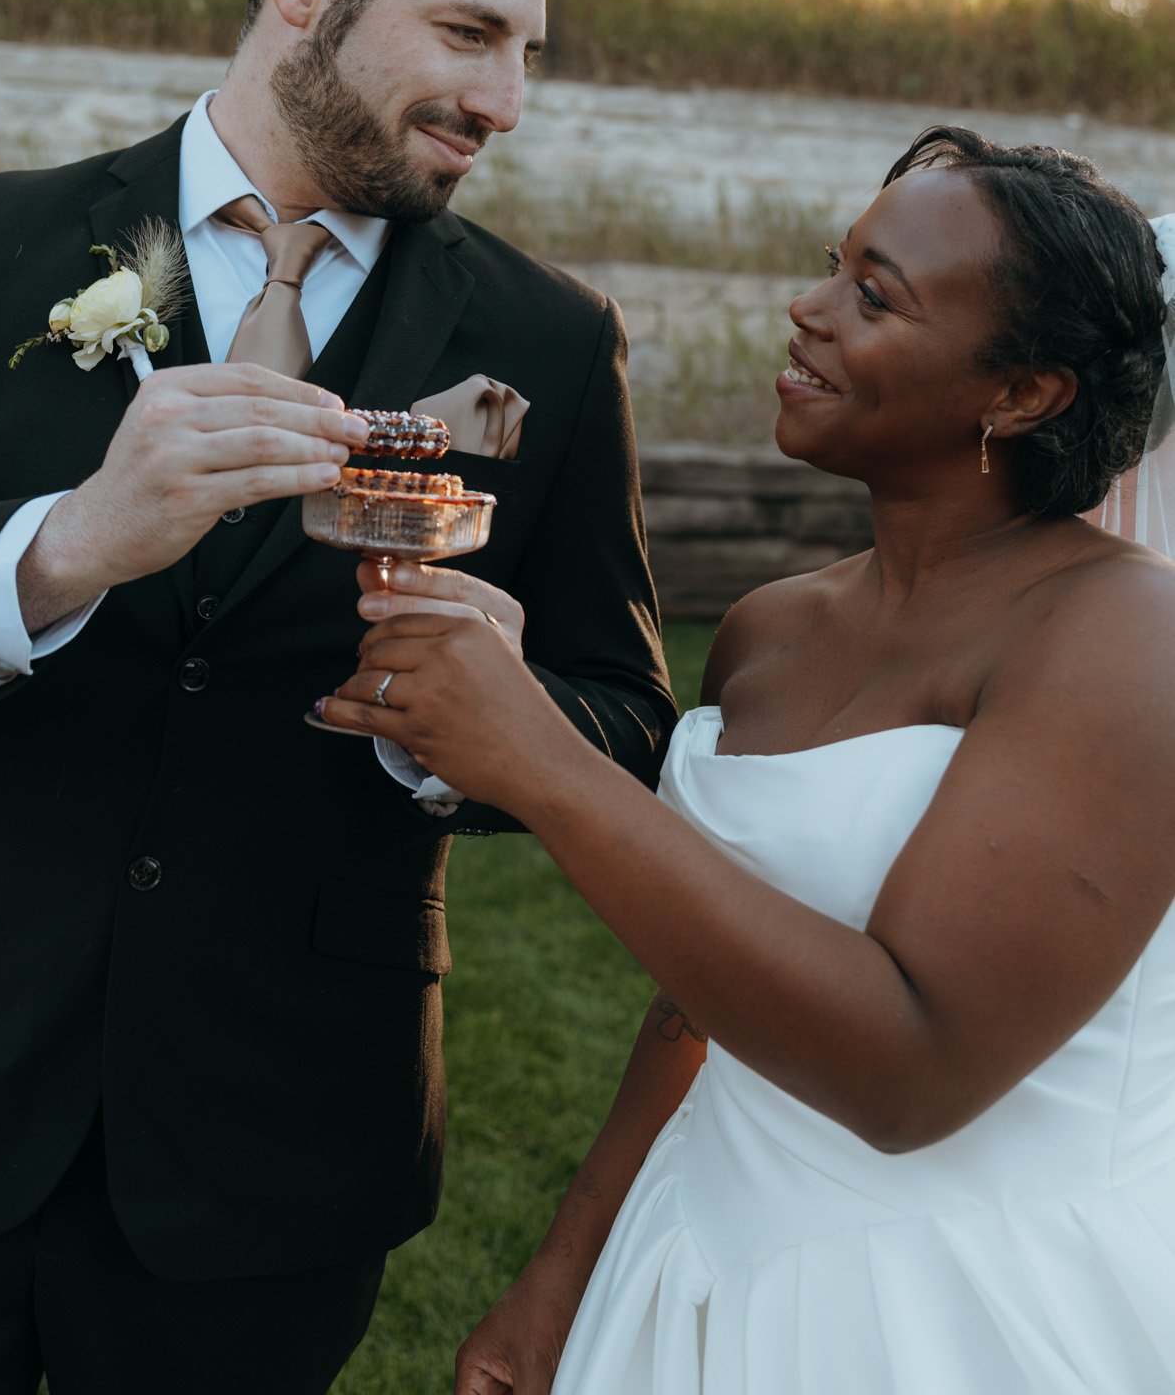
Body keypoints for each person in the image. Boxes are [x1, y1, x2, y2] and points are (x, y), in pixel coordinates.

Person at [0, 0, 674, 1395]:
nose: (507, 100)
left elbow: (624, 719)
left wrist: (464, 724)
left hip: (283, 1141)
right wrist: (58, 549)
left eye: (526, 52)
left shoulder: (551, 342)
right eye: (469, 34)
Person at [318, 125, 1175, 1394]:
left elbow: (911, 1070)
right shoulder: (774, 628)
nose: (806, 306)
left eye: (873, 295)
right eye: (833, 264)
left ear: (1023, 392)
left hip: (948, 1301)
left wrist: (543, 761)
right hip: (698, 1242)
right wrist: (562, 1271)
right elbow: (697, 1001)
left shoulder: (1124, 635)